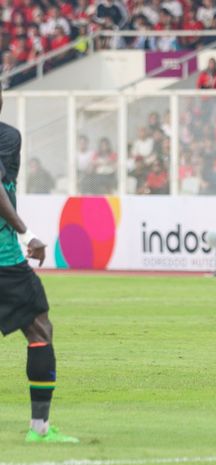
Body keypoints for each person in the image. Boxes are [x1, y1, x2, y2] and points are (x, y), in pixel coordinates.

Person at [0, 88, 78, 443]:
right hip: (4, 260)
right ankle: (40, 429)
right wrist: (27, 232)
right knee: (40, 330)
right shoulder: (6, 137)